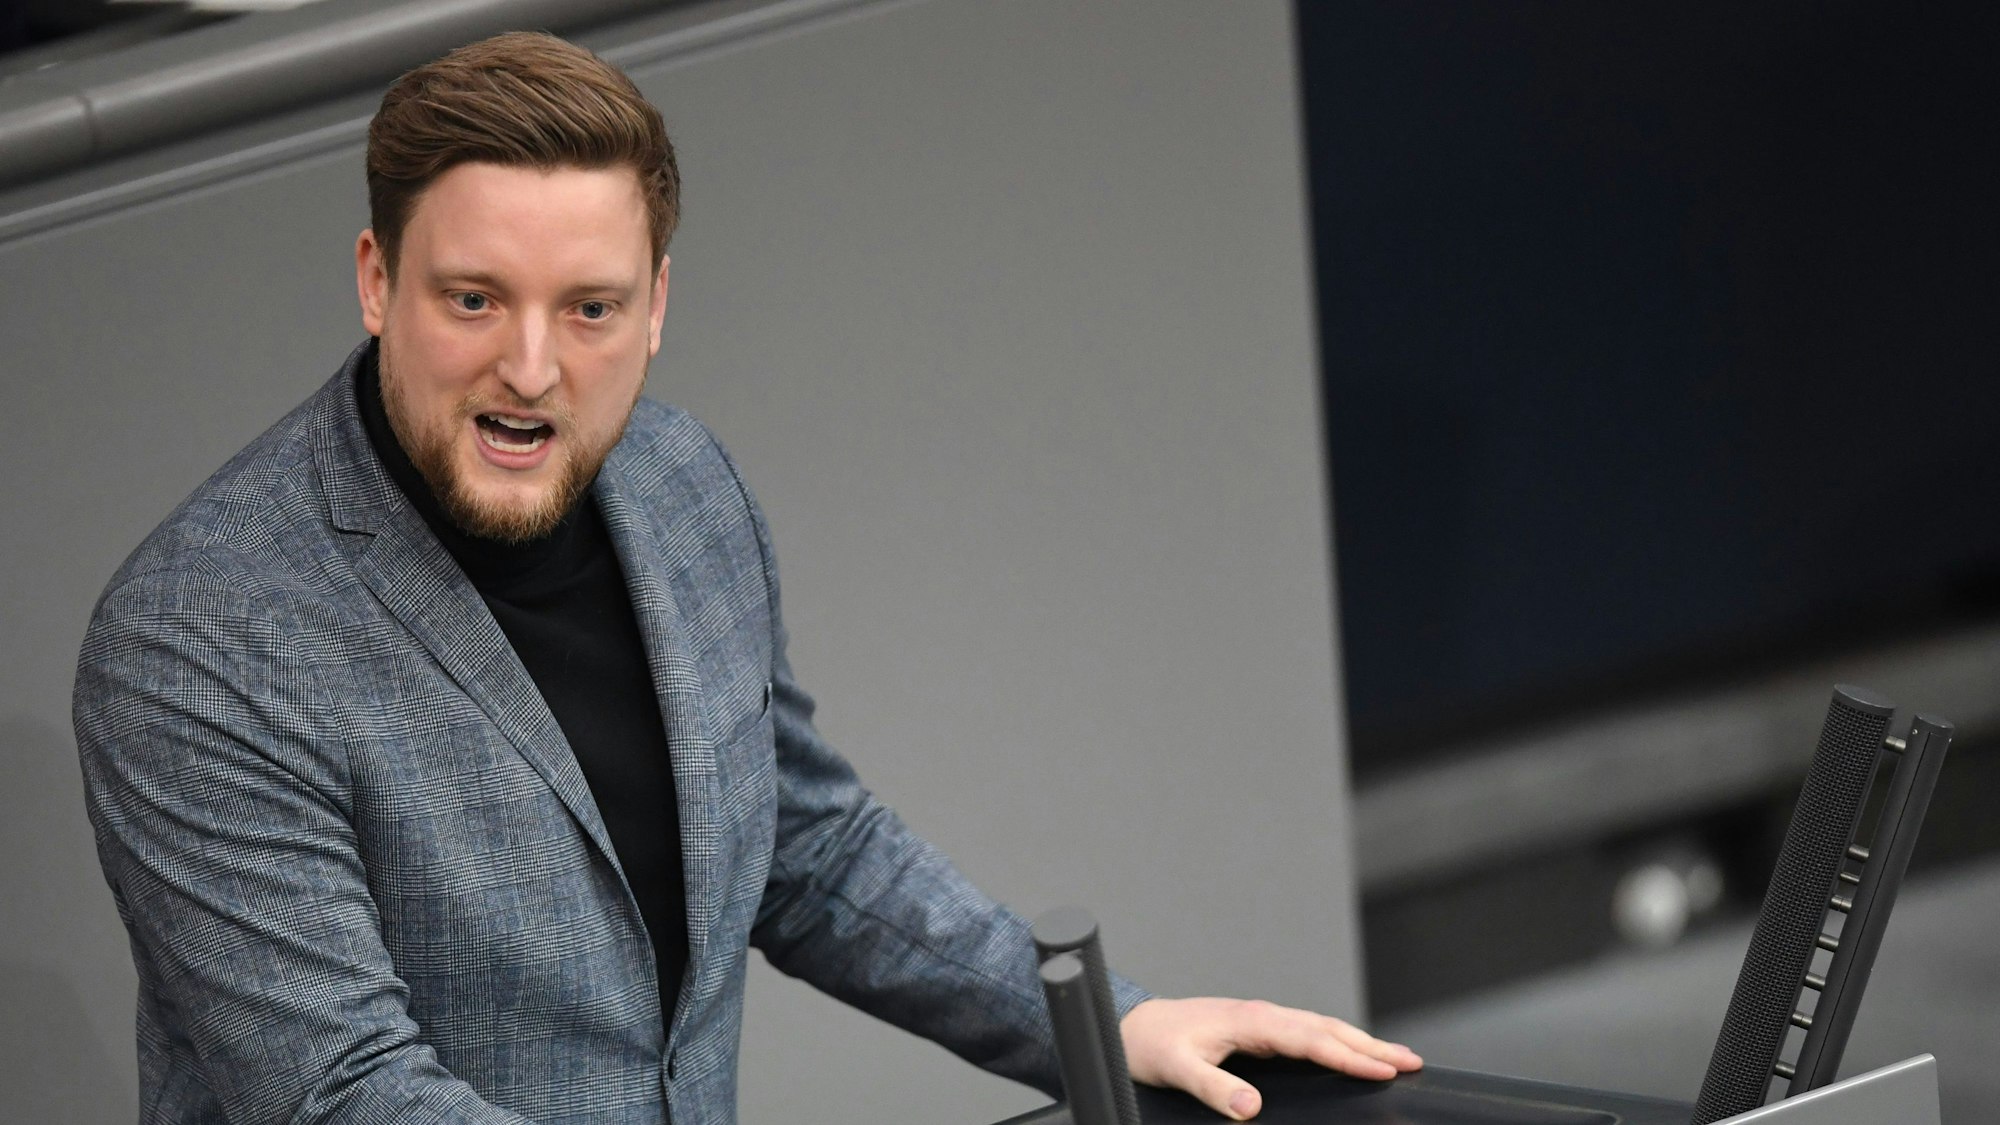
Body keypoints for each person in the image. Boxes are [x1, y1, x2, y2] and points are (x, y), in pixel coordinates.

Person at [72, 31, 1420, 1125]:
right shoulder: (200, 638)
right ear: (378, 283)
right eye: (473, 299)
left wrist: (1108, 1025)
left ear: (656, 305)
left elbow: (805, 851)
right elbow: (343, 1093)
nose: (530, 369)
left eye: (589, 309)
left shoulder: (683, 488)